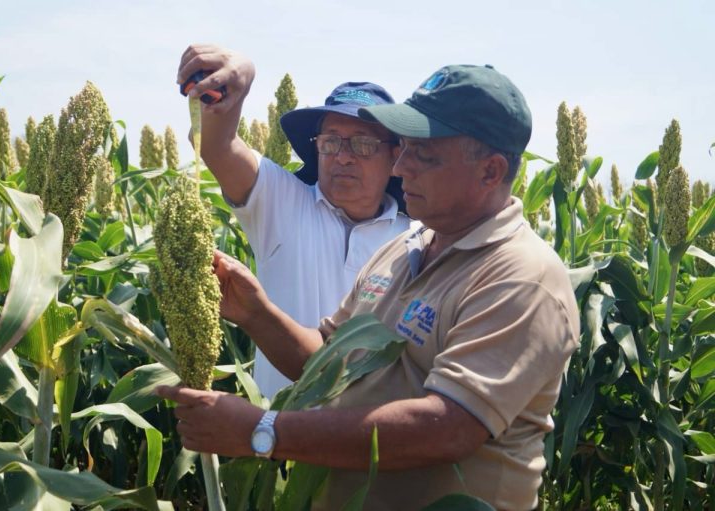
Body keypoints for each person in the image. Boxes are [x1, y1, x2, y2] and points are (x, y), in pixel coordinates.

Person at [158, 63, 580, 510]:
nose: (401, 165)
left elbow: (448, 427)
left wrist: (263, 430)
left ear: (490, 172)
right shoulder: (404, 249)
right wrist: (255, 313)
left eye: (424, 154)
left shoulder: (521, 277)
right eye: (405, 148)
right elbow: (327, 363)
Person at [177, 45, 413, 399]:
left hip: (371, 432)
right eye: (331, 142)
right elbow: (216, 144)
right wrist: (240, 75)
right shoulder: (281, 201)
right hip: (273, 428)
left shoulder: (417, 241)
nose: (343, 157)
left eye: (362, 144)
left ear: (395, 157)